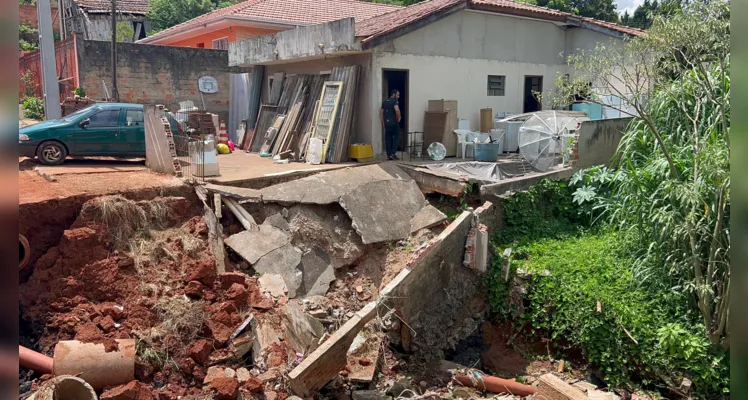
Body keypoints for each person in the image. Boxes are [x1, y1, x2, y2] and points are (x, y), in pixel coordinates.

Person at [380, 89, 402, 160]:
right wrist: (399, 117)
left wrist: (383, 122)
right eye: (397, 95)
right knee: (397, 137)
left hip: (387, 123)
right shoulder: (395, 101)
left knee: (388, 138)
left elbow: (381, 112)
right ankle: (393, 154)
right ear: (393, 94)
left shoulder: (385, 102)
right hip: (394, 123)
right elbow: (397, 110)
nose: (398, 96)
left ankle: (388, 155)